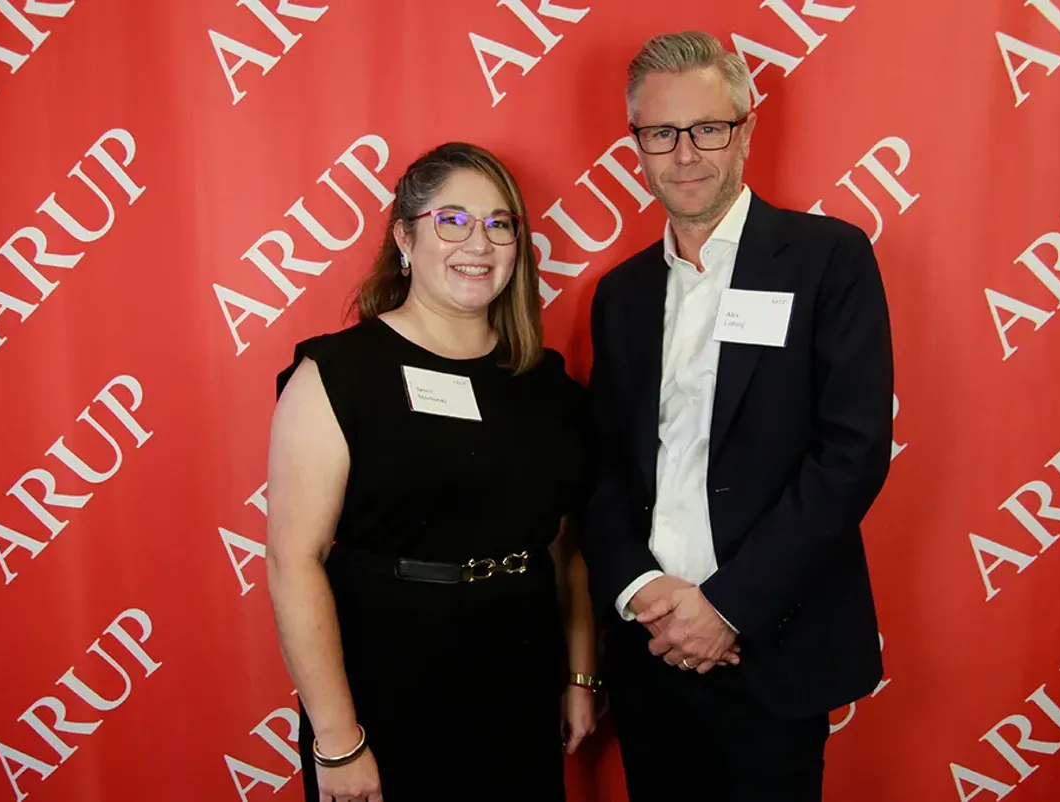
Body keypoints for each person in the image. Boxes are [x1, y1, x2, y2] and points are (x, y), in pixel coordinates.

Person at [582, 31, 894, 801]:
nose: (685, 155)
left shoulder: (829, 258)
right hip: (650, 651)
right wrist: (641, 595)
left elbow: (850, 454)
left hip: (771, 650)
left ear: (746, 129)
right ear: (638, 145)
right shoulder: (619, 295)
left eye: (708, 128)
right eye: (662, 134)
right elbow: (601, 468)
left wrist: (725, 607)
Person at [265, 142, 598, 802]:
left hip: (519, 675)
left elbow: (568, 546)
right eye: (452, 220)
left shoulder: (547, 386)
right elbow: (291, 560)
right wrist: (338, 740)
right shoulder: (339, 374)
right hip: (389, 683)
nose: (479, 242)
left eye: (500, 223)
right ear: (404, 239)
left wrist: (581, 676)